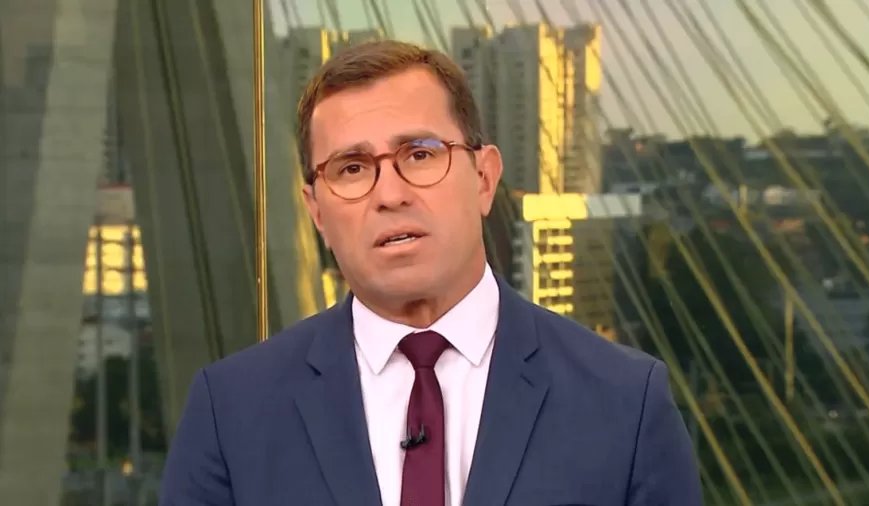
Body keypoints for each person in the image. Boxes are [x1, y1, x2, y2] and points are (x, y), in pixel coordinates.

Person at [159, 39, 702, 506]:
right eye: (352, 168)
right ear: (316, 211)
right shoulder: (230, 412)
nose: (390, 194)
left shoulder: (626, 402)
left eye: (419, 155)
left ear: (484, 178)